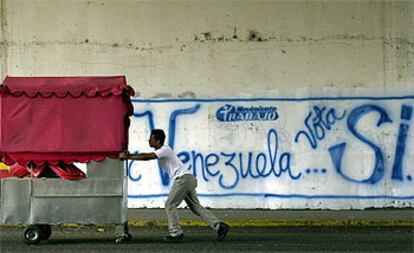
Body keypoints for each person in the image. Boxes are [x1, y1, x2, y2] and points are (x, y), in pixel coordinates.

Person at [119, 129, 230, 243]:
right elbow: (146, 155)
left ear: (158, 141)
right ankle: (220, 226)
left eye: (151, 139)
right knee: (195, 206)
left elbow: (147, 156)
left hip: (183, 179)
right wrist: (130, 155)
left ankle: (176, 233)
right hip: (188, 178)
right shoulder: (163, 150)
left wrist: (128, 157)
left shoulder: (164, 150)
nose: (149, 141)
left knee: (170, 204)